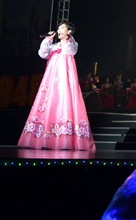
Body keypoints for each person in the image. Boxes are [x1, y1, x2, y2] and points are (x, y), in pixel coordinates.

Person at [18, 21, 95, 151]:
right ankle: (44, 138)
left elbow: (71, 48)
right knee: (48, 105)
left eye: (62, 28)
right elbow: (42, 54)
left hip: (64, 82)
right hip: (51, 82)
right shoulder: (54, 47)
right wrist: (48, 39)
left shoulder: (72, 45)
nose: (59, 30)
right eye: (58, 28)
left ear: (69, 31)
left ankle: (65, 139)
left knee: (64, 104)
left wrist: (68, 38)